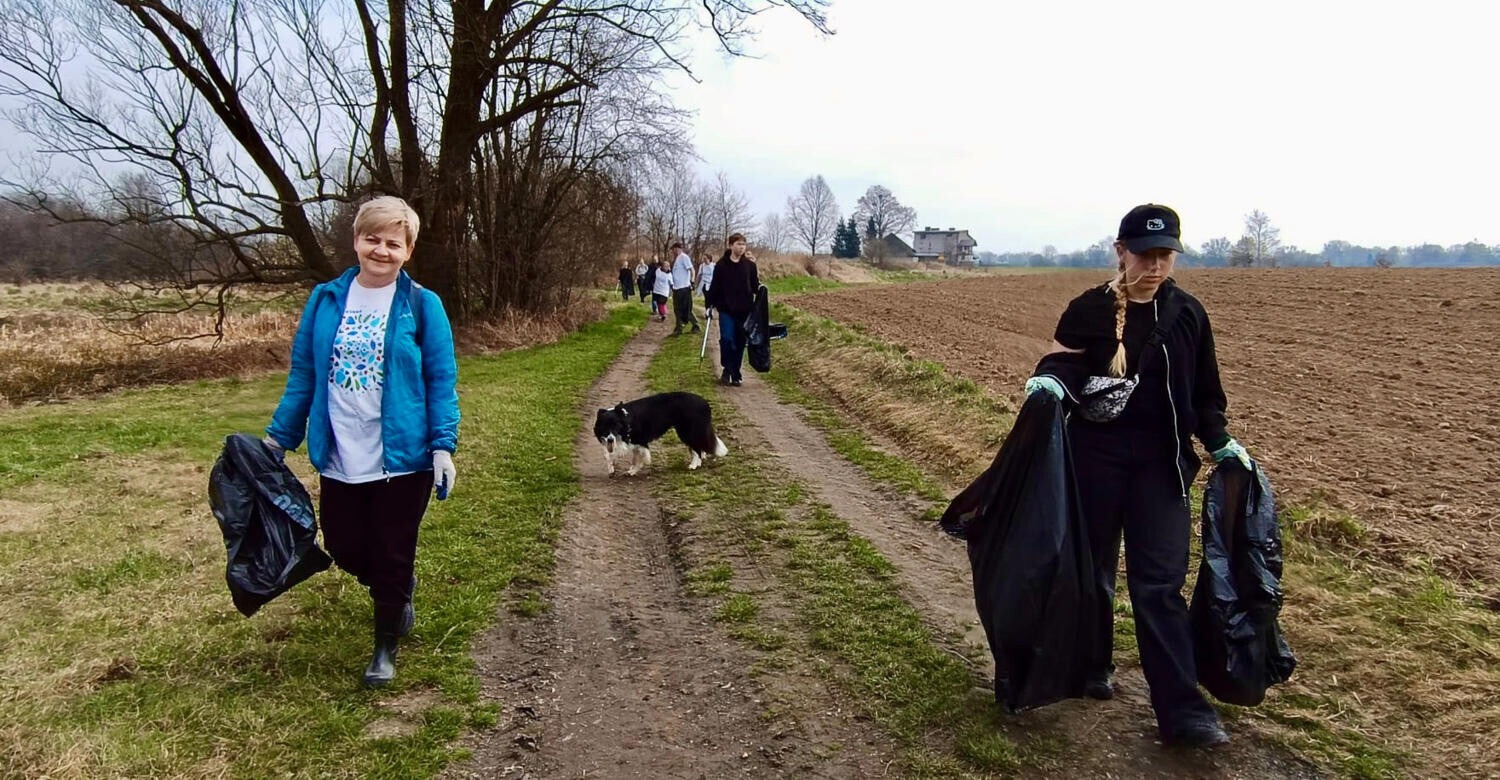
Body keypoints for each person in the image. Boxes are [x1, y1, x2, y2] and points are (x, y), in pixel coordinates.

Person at [1026, 203, 1251, 749]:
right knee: (1091, 571)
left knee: (1159, 588)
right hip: (1094, 463)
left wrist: (1220, 443)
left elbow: (1205, 393)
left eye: (1164, 256)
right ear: (1120, 251)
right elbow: (1063, 363)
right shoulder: (1090, 309)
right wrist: (1050, 383)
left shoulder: (1189, 315)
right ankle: (1091, 665)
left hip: (1161, 470)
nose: (1154, 266)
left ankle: (1181, 710)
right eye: (1144, 254)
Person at [263, 195, 461, 688]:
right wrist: (277, 438)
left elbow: (441, 380)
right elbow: (304, 373)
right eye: (372, 238)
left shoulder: (422, 304)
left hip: (403, 456)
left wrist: (442, 446)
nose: (381, 250)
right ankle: (396, 591)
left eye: (394, 242)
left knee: (393, 549)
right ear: (356, 241)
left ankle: (384, 645)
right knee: (346, 546)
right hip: (340, 451)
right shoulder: (325, 298)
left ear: (408, 251)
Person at [702, 233, 759, 386]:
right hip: (726, 309)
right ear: (731, 245)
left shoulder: (750, 266)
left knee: (740, 343)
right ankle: (727, 367)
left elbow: (755, 287)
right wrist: (709, 305)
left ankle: (735, 373)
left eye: (744, 244)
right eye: (739, 244)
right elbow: (714, 288)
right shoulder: (721, 266)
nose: (742, 247)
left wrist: (762, 293)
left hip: (744, 310)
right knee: (727, 339)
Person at [668, 241, 700, 336]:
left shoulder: (684, 257)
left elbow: (692, 270)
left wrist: (692, 281)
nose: (673, 251)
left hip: (684, 288)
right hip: (677, 288)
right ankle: (679, 327)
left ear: (677, 248)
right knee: (677, 309)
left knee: (686, 309)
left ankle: (695, 325)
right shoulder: (677, 259)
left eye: (673, 249)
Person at [651, 256, 673, 322]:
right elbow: (653, 277)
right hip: (656, 290)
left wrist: (672, 292)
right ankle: (662, 314)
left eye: (667, 266)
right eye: (664, 266)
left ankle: (663, 315)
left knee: (661, 303)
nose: (666, 267)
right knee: (658, 303)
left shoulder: (669, 274)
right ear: (662, 266)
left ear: (669, 267)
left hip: (664, 292)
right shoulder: (657, 271)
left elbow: (672, 283)